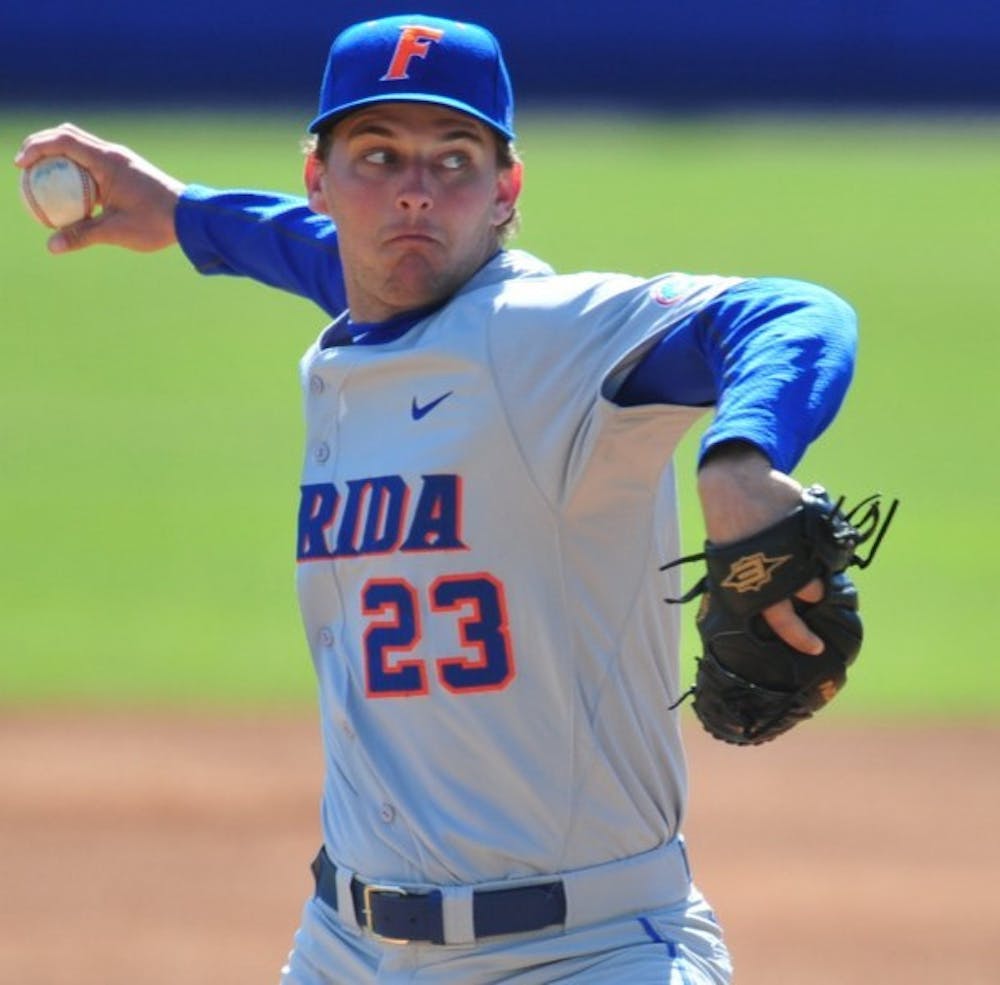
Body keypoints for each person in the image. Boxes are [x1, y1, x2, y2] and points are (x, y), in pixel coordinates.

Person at [15, 14, 857, 984]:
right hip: (345, 948)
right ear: (316, 179)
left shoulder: (545, 334)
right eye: (376, 155)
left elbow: (790, 312)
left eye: (453, 159)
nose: (414, 189)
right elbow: (337, 260)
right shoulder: (365, 330)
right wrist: (184, 213)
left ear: (506, 191)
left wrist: (739, 461)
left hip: (582, 952)